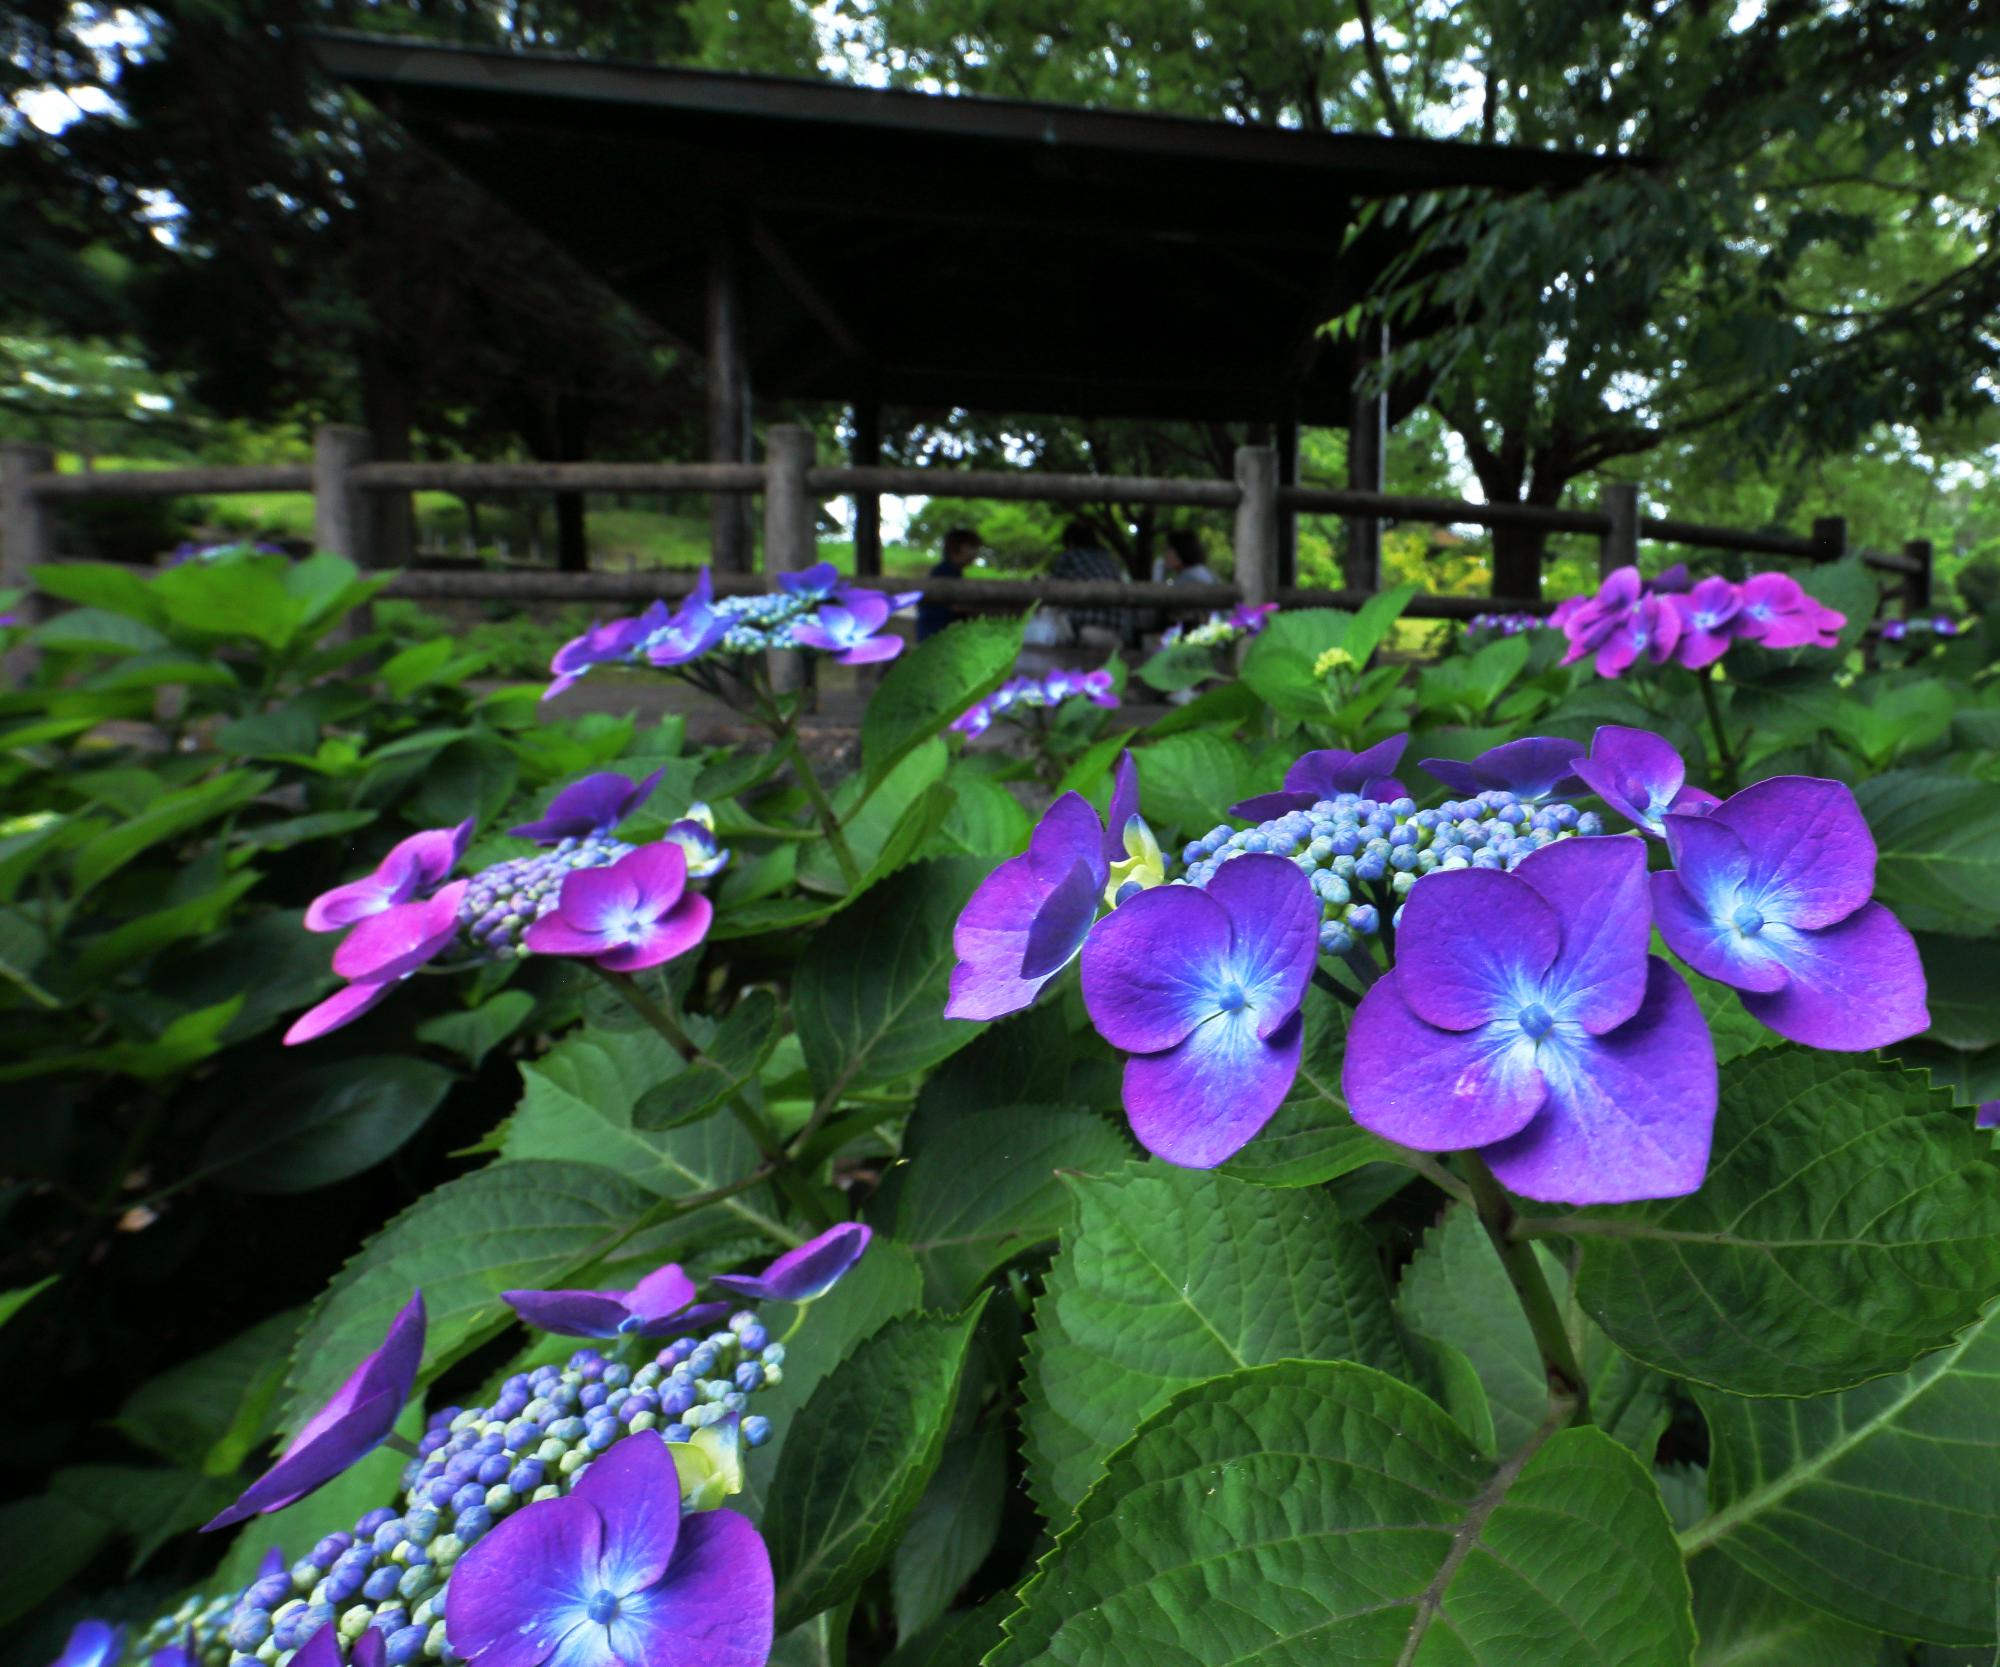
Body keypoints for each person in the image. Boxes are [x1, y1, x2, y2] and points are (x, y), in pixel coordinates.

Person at [1047, 520, 1136, 649]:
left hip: (1085, 628)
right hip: (1117, 632)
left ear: (1071, 541)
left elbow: (1052, 589)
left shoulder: (1070, 557)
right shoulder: (1107, 558)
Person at [917, 527, 980, 641]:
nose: (975, 552)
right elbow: (951, 608)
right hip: (936, 637)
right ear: (955, 547)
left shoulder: (954, 572)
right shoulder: (943, 573)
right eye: (971, 547)